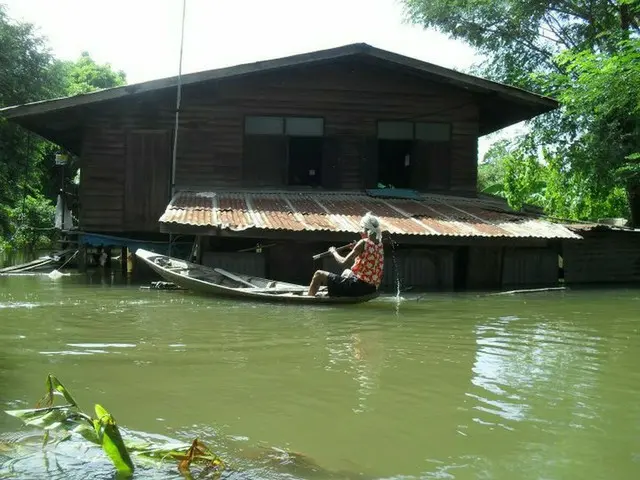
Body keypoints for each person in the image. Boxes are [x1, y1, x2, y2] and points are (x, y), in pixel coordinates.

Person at [307, 212, 385, 297]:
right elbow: (369, 257)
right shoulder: (379, 244)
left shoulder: (363, 242)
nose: (360, 231)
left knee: (318, 274)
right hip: (371, 288)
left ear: (367, 229)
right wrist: (356, 249)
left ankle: (308, 300)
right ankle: (337, 292)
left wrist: (334, 252)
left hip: (357, 287)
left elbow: (343, 262)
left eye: (362, 228)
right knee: (347, 272)